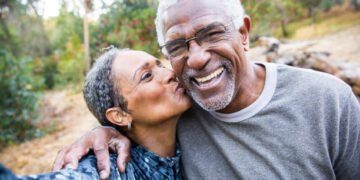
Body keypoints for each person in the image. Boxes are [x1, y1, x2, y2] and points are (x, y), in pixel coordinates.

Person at [53, 0, 360, 179]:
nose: (197, 58)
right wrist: (103, 131)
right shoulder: (178, 112)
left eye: (211, 34)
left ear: (243, 34)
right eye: (176, 46)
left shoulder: (328, 102)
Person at [0, 48, 191, 179]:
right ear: (120, 115)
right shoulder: (107, 169)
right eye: (147, 76)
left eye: (161, 65)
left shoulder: (199, 111)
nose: (169, 73)